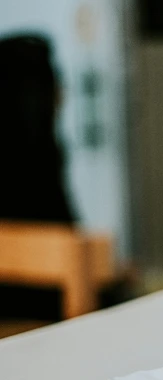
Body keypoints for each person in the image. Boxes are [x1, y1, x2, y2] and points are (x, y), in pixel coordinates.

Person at [0, 35, 76, 321]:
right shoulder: (39, 158)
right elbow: (66, 244)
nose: (62, 93)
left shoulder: (44, 151)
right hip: (41, 318)